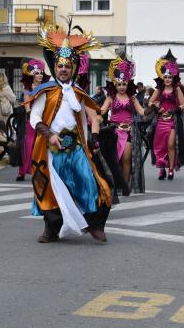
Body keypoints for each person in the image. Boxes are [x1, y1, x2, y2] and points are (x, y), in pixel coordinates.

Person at [27, 19, 112, 243]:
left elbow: (91, 118)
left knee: (89, 182)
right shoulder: (44, 91)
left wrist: (93, 137)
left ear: (72, 68)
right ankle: (51, 229)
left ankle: (94, 225)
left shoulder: (79, 93)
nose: (63, 70)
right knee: (52, 190)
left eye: (67, 66)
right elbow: (34, 117)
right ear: (54, 68)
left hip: (75, 147)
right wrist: (50, 135)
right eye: (60, 66)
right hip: (51, 149)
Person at [99, 52, 146, 196]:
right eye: (119, 84)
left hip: (129, 131)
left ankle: (124, 186)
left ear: (128, 83)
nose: (121, 87)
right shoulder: (111, 97)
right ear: (115, 83)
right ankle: (115, 184)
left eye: (124, 84)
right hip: (114, 132)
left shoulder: (132, 98)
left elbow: (142, 112)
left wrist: (153, 108)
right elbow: (101, 111)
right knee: (115, 159)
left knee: (126, 159)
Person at [148, 49, 184, 180]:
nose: (167, 79)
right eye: (165, 77)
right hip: (160, 121)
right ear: (162, 77)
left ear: (173, 77)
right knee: (160, 146)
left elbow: (183, 105)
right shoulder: (159, 89)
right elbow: (150, 102)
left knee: (171, 145)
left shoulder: (177, 89)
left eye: (170, 77)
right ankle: (161, 169)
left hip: (172, 121)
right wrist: (157, 106)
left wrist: (174, 110)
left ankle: (171, 169)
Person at [16, 58, 48, 181]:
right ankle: (22, 171)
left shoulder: (46, 87)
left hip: (44, 119)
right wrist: (32, 115)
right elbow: (26, 104)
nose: (40, 75)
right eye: (37, 73)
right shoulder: (28, 87)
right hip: (31, 120)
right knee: (28, 145)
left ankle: (39, 170)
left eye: (41, 73)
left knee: (41, 146)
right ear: (32, 75)